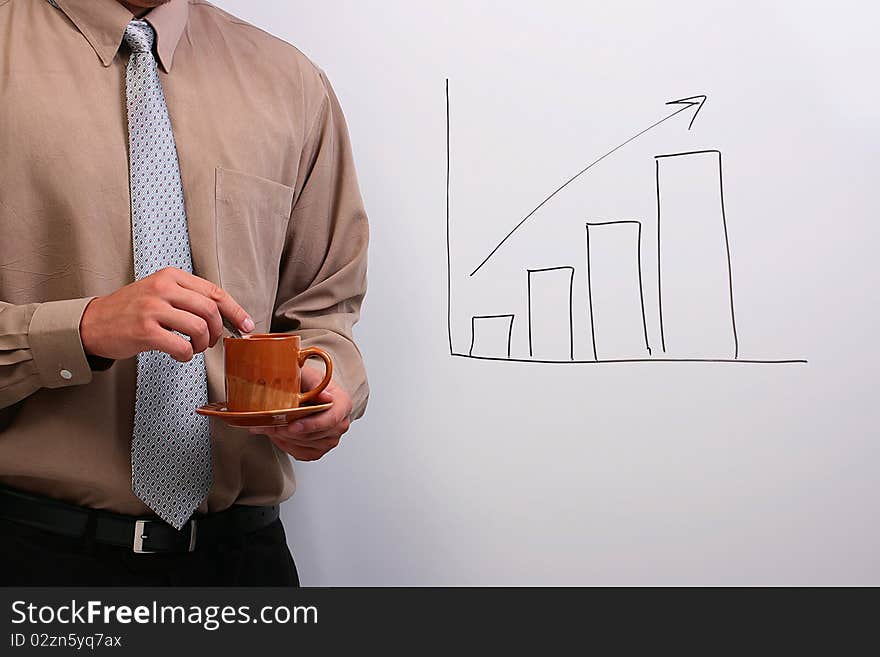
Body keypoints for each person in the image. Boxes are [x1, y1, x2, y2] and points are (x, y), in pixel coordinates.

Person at [0, 0, 369, 585]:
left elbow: (322, 308)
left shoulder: (291, 82)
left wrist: (325, 396)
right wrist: (80, 330)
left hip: (244, 564)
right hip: (28, 557)